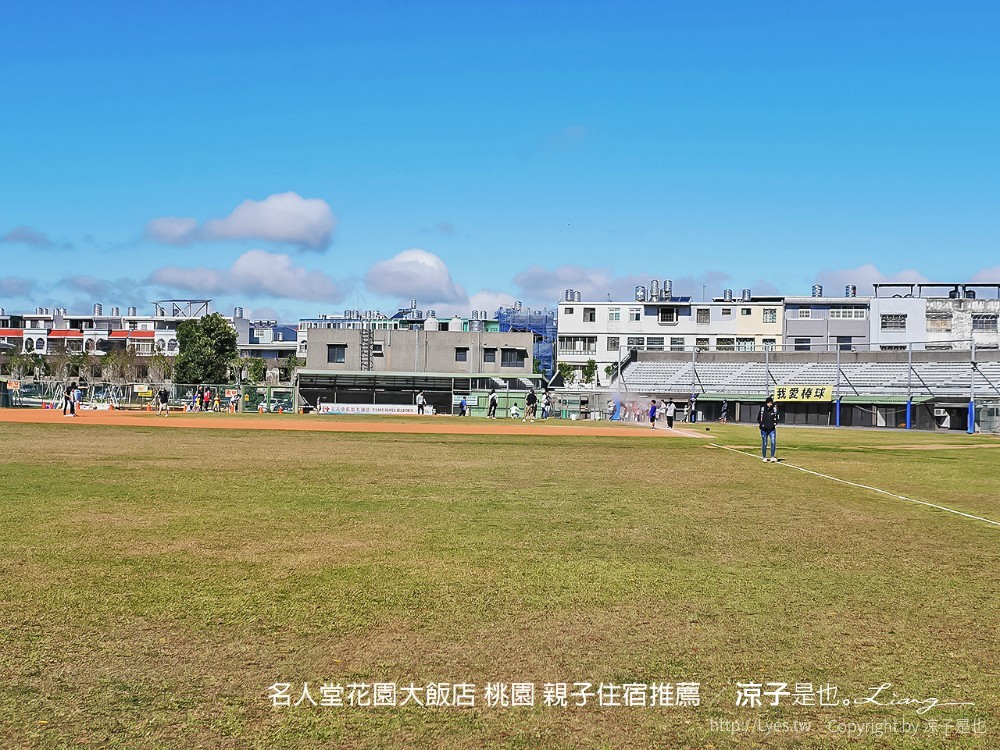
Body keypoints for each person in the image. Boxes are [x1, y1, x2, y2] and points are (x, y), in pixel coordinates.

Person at [758, 395, 779, 463]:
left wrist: (775, 423)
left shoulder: (774, 410)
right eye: (768, 403)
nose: (770, 404)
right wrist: (762, 425)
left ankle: (772, 457)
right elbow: (758, 419)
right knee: (765, 443)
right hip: (764, 430)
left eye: (771, 403)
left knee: (773, 442)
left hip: (772, 429)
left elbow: (777, 418)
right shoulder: (762, 409)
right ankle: (764, 457)